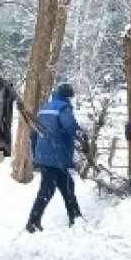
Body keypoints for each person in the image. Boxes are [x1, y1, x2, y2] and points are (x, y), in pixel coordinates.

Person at [26, 83, 84, 233]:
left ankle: (75, 217)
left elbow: (34, 133)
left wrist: (36, 155)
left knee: (65, 186)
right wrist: (83, 138)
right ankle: (33, 221)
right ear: (67, 96)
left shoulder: (45, 108)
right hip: (56, 156)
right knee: (49, 190)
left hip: (46, 155)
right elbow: (71, 127)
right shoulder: (62, 108)